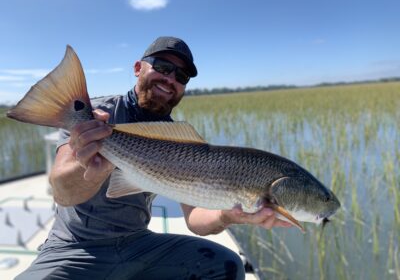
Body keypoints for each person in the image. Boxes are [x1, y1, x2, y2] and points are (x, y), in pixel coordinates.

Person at [16, 36, 291, 280]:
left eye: (181, 77)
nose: (170, 79)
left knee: (227, 265)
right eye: (162, 67)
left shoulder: (177, 137)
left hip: (138, 242)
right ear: (138, 68)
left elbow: (194, 217)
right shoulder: (98, 115)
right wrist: (87, 163)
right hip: (76, 245)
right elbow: (63, 193)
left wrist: (228, 215)